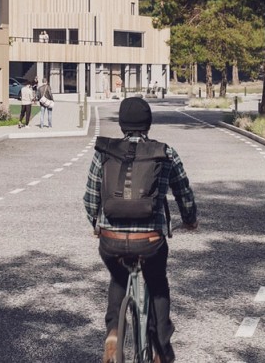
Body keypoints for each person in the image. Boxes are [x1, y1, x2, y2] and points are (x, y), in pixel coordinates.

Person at [84, 96, 198, 363]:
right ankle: (160, 349)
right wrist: (190, 219)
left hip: (110, 239)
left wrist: (96, 225)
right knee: (157, 283)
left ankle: (113, 332)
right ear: (148, 124)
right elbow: (184, 192)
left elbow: (90, 197)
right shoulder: (165, 152)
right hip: (150, 239)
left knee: (118, 277)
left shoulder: (104, 152)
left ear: (122, 124)